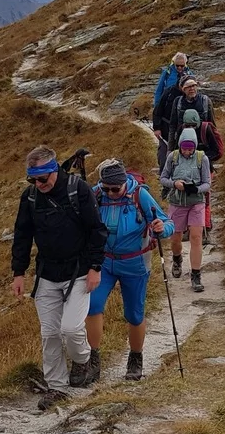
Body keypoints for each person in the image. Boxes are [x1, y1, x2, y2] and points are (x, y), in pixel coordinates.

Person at [11, 145, 108, 410]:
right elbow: (22, 236)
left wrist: (95, 267)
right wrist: (18, 273)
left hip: (79, 271)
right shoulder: (30, 197)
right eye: (33, 179)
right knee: (50, 333)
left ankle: (84, 358)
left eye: (42, 178)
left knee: (71, 329)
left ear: (54, 170)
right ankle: (57, 387)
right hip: (47, 274)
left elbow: (97, 230)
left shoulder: (78, 190)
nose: (38, 184)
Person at [85, 159, 175, 382]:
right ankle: (92, 360)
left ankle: (136, 358)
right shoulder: (96, 195)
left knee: (134, 314)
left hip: (135, 263)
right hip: (103, 262)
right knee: (92, 306)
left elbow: (167, 222)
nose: (111, 193)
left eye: (116, 189)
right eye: (106, 189)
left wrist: (161, 229)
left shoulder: (140, 195)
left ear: (125, 183)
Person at [160, 128, 211, 293]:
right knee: (176, 239)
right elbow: (163, 178)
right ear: (180, 145)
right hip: (177, 202)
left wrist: (195, 189)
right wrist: (175, 184)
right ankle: (177, 259)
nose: (187, 151)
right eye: (185, 148)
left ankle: (196, 275)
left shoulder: (202, 158)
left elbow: (207, 183)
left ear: (195, 146)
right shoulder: (172, 157)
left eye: (190, 148)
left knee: (196, 238)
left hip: (197, 202)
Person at [179, 109, 220, 245]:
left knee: (204, 198)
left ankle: (205, 228)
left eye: (192, 125)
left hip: (205, 169)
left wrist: (201, 159)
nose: (190, 128)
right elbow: (176, 149)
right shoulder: (182, 130)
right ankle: (187, 228)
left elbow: (217, 151)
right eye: (187, 125)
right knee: (184, 196)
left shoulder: (205, 129)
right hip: (184, 170)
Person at [168, 78, 214, 150]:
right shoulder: (178, 102)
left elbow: (211, 125)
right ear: (183, 89)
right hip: (183, 146)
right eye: (188, 86)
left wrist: (213, 149)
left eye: (194, 85)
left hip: (202, 144)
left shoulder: (205, 101)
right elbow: (172, 126)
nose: (192, 88)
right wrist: (170, 149)